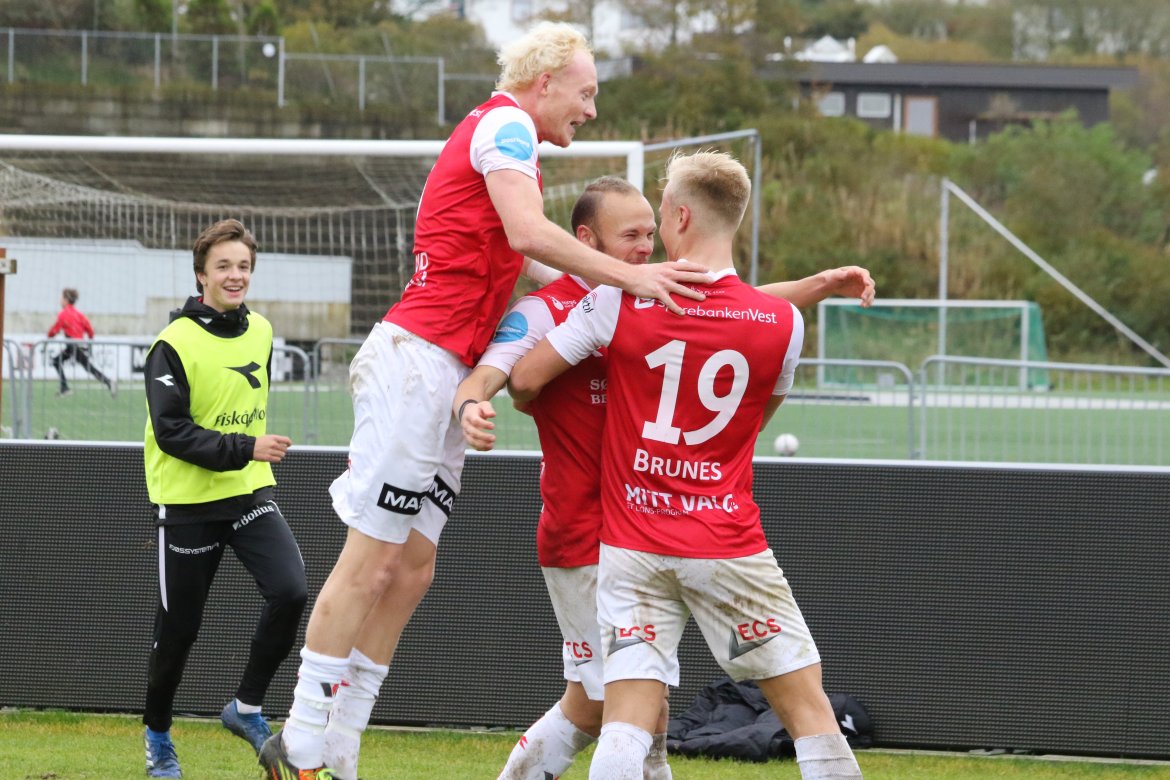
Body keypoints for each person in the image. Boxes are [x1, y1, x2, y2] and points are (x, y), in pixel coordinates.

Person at [260, 22, 711, 780]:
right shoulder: (506, 125)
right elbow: (529, 233)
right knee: (371, 562)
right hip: (415, 361)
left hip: (444, 373)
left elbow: (538, 266)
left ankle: (340, 746)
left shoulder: (509, 138)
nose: (591, 110)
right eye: (586, 93)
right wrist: (635, 276)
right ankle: (300, 744)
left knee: (411, 570)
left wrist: (637, 291)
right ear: (545, 82)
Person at [456, 176, 873, 779]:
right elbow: (510, 378)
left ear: (676, 221)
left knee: (631, 709)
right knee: (603, 705)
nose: (646, 248)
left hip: (631, 532)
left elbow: (723, 299)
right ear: (585, 241)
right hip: (590, 529)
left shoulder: (632, 300)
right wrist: (472, 406)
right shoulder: (556, 308)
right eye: (631, 235)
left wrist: (816, 285)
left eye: (651, 233)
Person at [141, 219, 308, 778]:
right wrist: (247, 447)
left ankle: (246, 707)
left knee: (290, 590)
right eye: (224, 267)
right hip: (187, 503)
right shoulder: (171, 345)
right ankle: (158, 735)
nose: (235, 276)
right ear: (201, 275)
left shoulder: (261, 329)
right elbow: (172, 433)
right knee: (179, 631)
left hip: (247, 490)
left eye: (243, 266)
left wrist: (247, 456)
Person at [47, 287, 115, 397]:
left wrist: (49, 335)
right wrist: (89, 341)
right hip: (76, 345)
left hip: (73, 345)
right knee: (57, 361)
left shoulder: (63, 314)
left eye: (61, 298)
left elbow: (54, 331)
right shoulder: (79, 314)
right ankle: (64, 388)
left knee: (88, 367)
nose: (60, 300)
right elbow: (90, 330)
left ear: (66, 300)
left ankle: (109, 382)